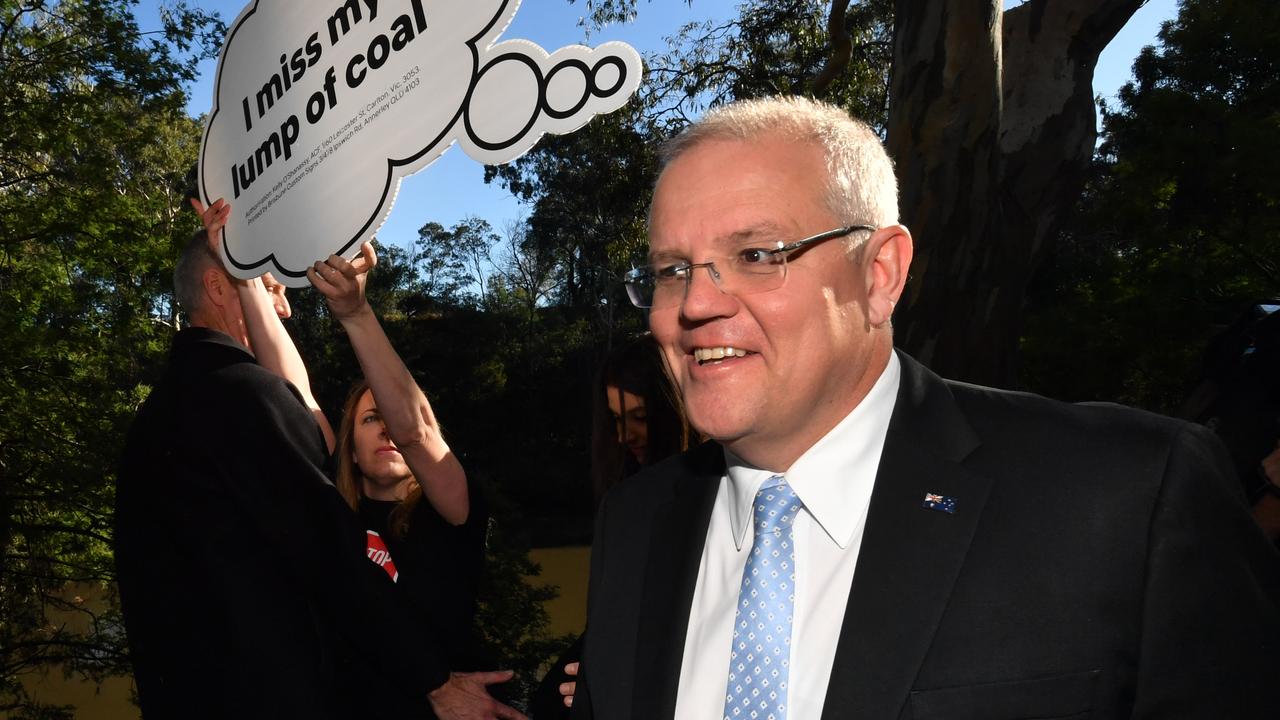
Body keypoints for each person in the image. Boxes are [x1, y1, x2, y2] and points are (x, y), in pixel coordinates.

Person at [570, 96, 1280, 719]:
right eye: (671, 270)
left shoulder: (1128, 497)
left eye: (757, 254)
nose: (694, 304)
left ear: (880, 275)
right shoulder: (635, 522)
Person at [115, 217, 526, 718]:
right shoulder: (323, 495)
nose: (391, 430)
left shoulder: (450, 513)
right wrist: (248, 278)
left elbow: (417, 431)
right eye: (372, 418)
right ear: (344, 445)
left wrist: (354, 311)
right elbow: (294, 395)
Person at [529, 335, 691, 718]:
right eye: (617, 420)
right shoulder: (628, 503)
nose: (624, 436)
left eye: (639, 417)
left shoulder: (704, 500)